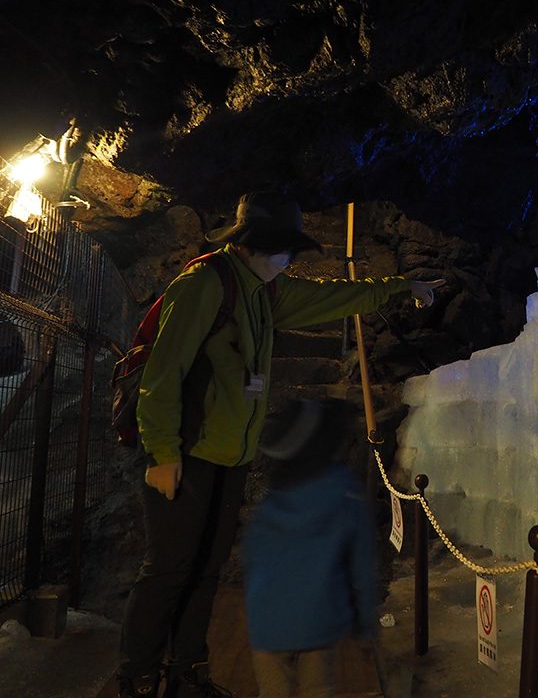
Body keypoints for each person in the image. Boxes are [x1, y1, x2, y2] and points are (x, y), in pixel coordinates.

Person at [117, 192, 442, 698]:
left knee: (204, 569)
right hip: (187, 453)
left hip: (230, 457)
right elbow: (164, 375)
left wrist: (400, 286)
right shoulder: (205, 284)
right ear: (255, 244)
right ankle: (138, 676)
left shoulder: (265, 291)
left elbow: (332, 298)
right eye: (284, 251)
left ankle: (187, 671)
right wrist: (162, 454)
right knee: (167, 569)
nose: (289, 262)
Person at [243, 398, 376, 698]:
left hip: (266, 621)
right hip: (317, 617)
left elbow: (250, 558)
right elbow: (362, 567)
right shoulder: (345, 493)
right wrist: (365, 626)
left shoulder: (273, 499)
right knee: (318, 691)